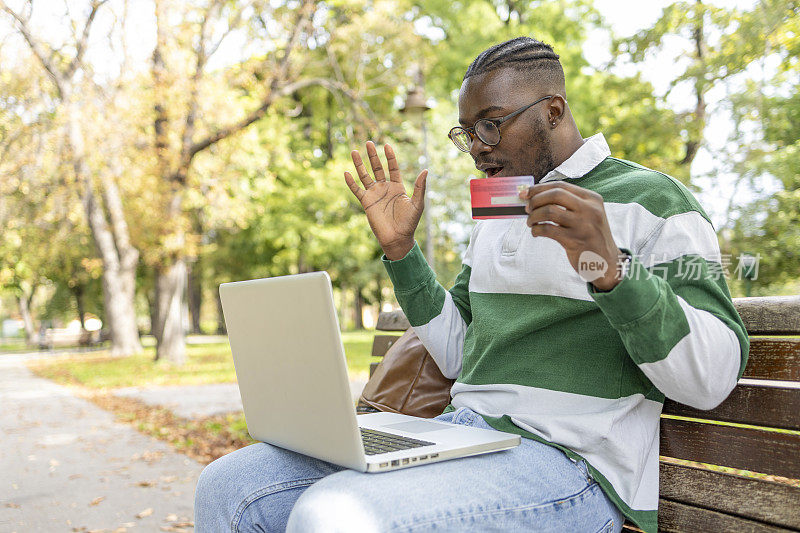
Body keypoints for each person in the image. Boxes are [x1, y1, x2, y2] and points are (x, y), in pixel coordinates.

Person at [194, 37, 748, 533]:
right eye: (468, 132)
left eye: (492, 123)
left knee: (335, 513)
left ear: (553, 110)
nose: (479, 145)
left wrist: (611, 270)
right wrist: (402, 254)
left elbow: (712, 377)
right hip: (464, 433)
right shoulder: (500, 207)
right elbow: (459, 354)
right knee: (229, 488)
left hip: (573, 462)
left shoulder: (654, 202)